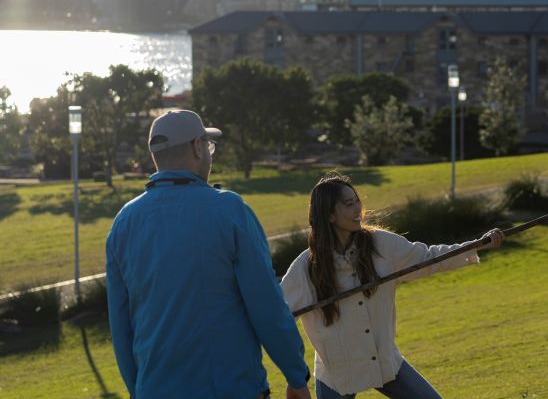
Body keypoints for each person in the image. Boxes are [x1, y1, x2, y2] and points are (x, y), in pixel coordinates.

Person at [106, 109, 311, 399]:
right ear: (197, 147)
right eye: (209, 145)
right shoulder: (228, 210)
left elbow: (121, 326)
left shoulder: (123, 222)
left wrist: (139, 390)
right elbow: (266, 304)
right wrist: (296, 374)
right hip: (230, 388)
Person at [281, 173, 505, 399]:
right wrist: (295, 377)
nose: (357, 208)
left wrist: (477, 244)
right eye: (349, 204)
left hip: (384, 361)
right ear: (329, 214)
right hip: (338, 374)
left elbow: (428, 258)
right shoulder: (305, 268)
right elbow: (278, 317)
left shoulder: (381, 244)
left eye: (357, 201)